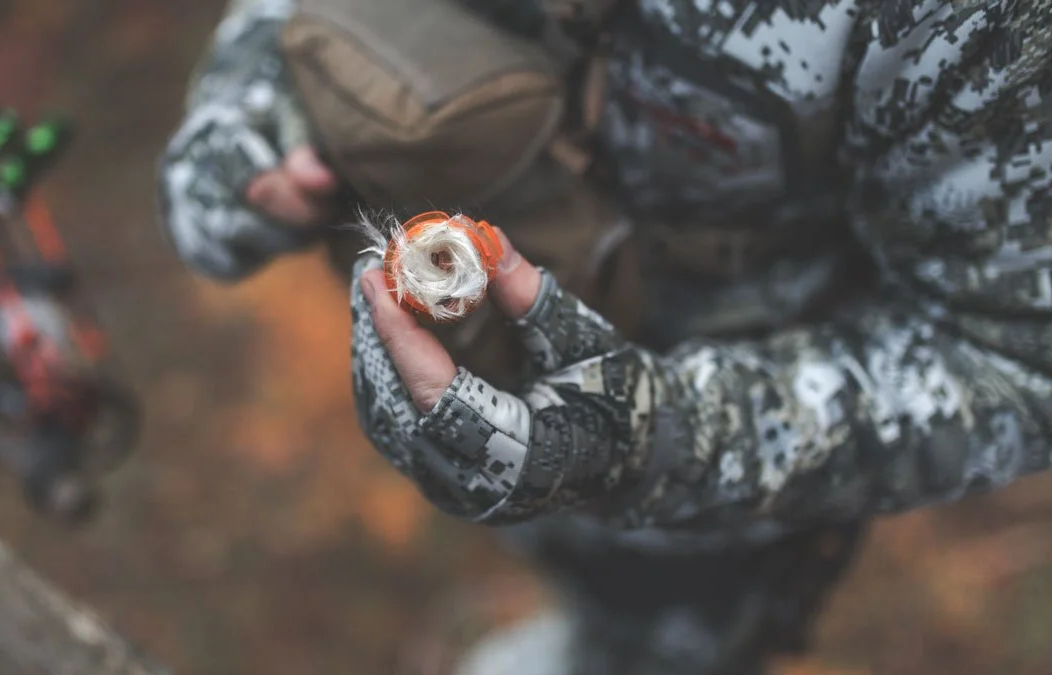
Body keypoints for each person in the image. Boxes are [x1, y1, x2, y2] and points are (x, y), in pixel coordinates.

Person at [158, 1, 1052, 673]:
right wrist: (250, 103)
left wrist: (653, 439)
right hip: (515, 434)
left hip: (719, 520)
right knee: (582, 601)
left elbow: (1018, 357)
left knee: (668, 643)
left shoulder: (968, 23)